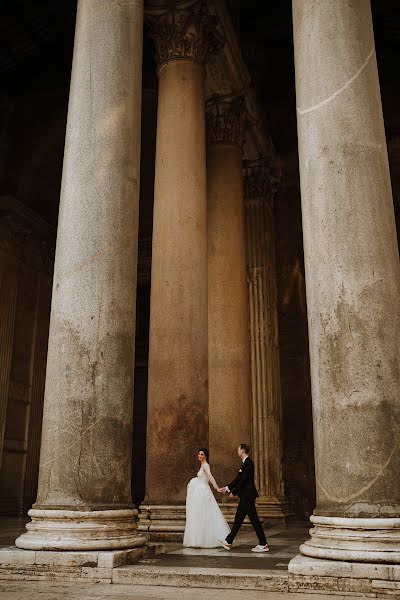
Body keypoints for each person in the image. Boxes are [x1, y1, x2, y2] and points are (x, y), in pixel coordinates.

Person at [217, 444, 269, 553]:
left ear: (243, 450)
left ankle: (263, 543)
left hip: (247, 496)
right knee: (238, 520)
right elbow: (238, 479)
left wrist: (234, 492)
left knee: (253, 520)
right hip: (245, 496)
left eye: (238, 449)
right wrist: (227, 488)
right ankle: (228, 541)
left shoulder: (248, 463)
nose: (237, 451)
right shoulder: (244, 463)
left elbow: (243, 480)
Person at [183, 448, 230, 548]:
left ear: (206, 456)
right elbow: (205, 478)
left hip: (203, 492)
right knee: (200, 514)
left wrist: (216, 488)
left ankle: (211, 538)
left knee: (206, 513)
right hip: (200, 491)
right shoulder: (202, 465)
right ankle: (199, 538)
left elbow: (210, 476)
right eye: (199, 454)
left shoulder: (205, 465)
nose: (200, 456)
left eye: (202, 454)